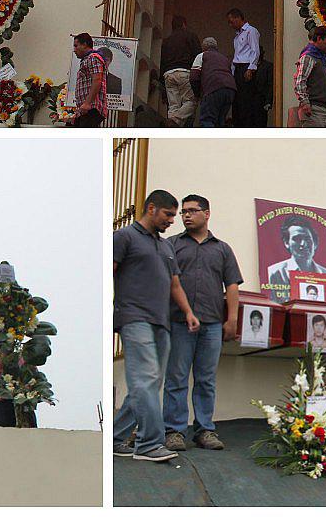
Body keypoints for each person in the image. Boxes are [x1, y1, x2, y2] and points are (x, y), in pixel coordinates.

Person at [113, 190, 196, 464]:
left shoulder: (166, 246)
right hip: (134, 318)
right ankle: (149, 443)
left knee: (148, 383)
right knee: (146, 380)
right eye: (168, 214)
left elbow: (174, 284)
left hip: (162, 322)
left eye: (174, 215)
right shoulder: (125, 237)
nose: (173, 220)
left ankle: (115, 437)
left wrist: (187, 312)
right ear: (151, 209)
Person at [162, 195, 241, 452]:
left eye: (192, 211)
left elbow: (231, 286)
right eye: (183, 211)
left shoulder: (222, 249)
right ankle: (173, 431)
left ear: (207, 214)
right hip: (178, 323)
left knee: (206, 379)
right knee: (177, 378)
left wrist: (231, 319)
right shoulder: (171, 245)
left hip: (212, 325)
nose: (185, 215)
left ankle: (205, 430)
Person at [265, 215, 326, 305]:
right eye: (297, 239)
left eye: (307, 239)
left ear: (315, 243)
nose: (303, 244)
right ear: (286, 243)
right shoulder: (275, 273)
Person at [295, 26, 326, 128]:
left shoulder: (321, 58)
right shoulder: (309, 56)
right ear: (319, 39)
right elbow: (300, 80)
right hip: (314, 108)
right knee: (315, 142)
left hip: (325, 108)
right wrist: (305, 103)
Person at [161, 16, 201, 126]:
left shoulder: (166, 41)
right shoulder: (191, 36)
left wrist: (162, 86)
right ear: (184, 24)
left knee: (173, 105)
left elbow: (162, 61)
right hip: (184, 72)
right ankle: (175, 120)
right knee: (190, 102)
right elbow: (198, 57)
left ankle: (171, 126)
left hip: (168, 74)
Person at [225, 9, 262, 127]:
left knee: (245, 100)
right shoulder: (237, 36)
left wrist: (251, 68)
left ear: (238, 18)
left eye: (231, 22)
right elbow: (237, 55)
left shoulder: (251, 31)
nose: (230, 25)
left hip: (246, 67)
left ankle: (246, 126)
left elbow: (255, 50)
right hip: (237, 68)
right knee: (237, 100)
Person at [190, 37, 236, 127]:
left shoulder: (202, 55)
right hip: (230, 90)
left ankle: (209, 141)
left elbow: (194, 77)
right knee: (220, 121)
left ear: (203, 47)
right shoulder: (224, 59)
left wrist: (197, 94)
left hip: (213, 88)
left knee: (207, 120)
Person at [72, 33, 108, 128]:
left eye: (76, 46)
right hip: (86, 109)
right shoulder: (87, 59)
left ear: (84, 44)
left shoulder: (93, 58)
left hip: (91, 109)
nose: (74, 50)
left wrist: (87, 103)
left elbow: (97, 80)